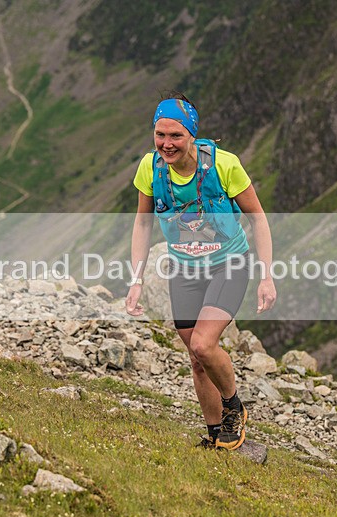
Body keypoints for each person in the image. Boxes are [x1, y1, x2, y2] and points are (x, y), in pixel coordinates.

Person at [125, 91, 276, 451]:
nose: (166, 143)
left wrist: (267, 275)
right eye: (160, 134)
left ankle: (233, 407)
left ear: (192, 133)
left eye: (175, 135)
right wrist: (136, 280)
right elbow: (142, 224)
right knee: (196, 360)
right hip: (184, 268)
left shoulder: (224, 165)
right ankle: (217, 437)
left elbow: (258, 218)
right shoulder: (150, 168)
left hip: (229, 263)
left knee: (204, 345)